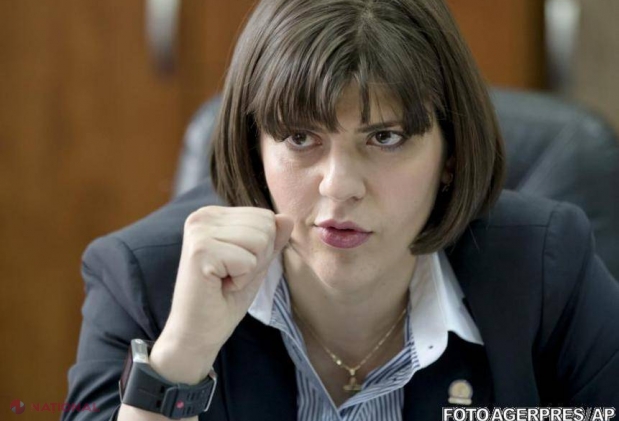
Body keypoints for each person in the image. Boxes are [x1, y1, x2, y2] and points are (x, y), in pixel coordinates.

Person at [62, 0, 619, 420]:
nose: (339, 186)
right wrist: (179, 361)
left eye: (385, 137)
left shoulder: (547, 269)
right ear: (255, 151)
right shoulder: (143, 280)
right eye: (300, 138)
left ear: (450, 155)